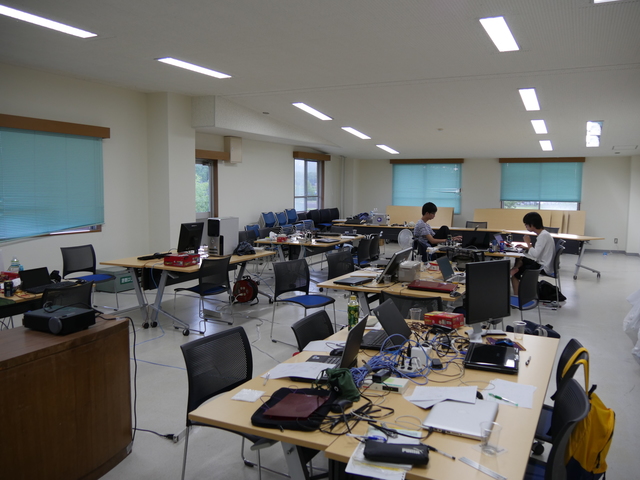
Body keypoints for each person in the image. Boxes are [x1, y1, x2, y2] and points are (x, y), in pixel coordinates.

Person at [510, 212, 555, 294]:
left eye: (526, 224)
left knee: (514, 275)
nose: (525, 226)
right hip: (543, 263)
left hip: (542, 266)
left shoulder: (542, 236)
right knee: (521, 258)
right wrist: (527, 247)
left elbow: (535, 254)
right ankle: (516, 268)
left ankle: (517, 296)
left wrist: (528, 243)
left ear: (532, 224)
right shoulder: (544, 234)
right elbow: (539, 251)